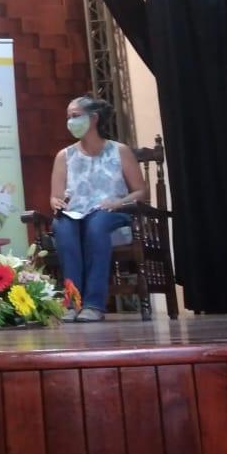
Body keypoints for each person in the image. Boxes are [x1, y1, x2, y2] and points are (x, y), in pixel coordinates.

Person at [49, 96, 147, 322]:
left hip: (112, 213)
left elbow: (141, 192)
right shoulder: (64, 156)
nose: (70, 122)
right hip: (76, 214)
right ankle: (72, 302)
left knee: (97, 223)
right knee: (62, 226)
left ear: (93, 119)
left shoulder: (119, 151)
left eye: (76, 116)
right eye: (68, 118)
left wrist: (117, 203)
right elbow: (55, 196)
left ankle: (94, 303)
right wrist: (56, 202)